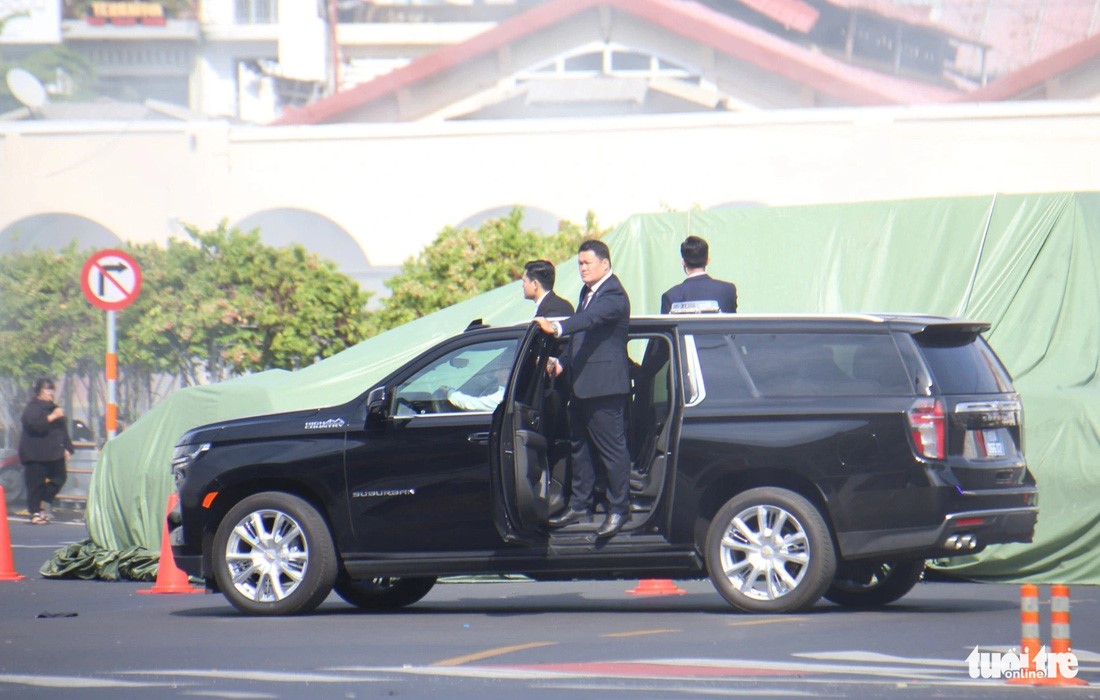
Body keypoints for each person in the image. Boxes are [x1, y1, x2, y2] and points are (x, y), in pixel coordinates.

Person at [534, 239, 632, 538]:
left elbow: (587, 320)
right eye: (579, 264)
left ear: (605, 264)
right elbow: (582, 339)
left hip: (604, 389)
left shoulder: (613, 293)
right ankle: (580, 505)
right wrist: (562, 361)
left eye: (587, 263)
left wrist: (558, 327)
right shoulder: (587, 293)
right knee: (580, 448)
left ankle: (618, 510)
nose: (582, 269)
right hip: (580, 386)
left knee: (612, 451)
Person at [19, 378, 73, 525]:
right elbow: (35, 426)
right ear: (39, 391)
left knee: (60, 478)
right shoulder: (32, 408)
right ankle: (36, 512)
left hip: (54, 453)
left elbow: (62, 429)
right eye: (47, 389)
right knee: (35, 484)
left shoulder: (54, 407)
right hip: (35, 454)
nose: (51, 392)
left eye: (52, 389)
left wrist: (67, 448)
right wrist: (52, 416)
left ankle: (43, 500)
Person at [660, 235, 738, 314]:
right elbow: (733, 324)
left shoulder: (670, 296)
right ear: (708, 260)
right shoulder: (728, 290)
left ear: (683, 262)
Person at [443, 364, 509, 412]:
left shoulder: (503, 396)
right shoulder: (506, 391)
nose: (496, 374)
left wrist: (449, 392)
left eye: (501, 369)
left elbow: (471, 405)